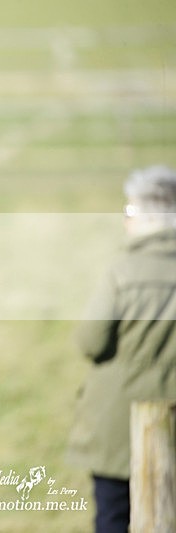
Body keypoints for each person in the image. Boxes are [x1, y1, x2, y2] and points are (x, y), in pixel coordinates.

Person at [67, 165, 176, 533]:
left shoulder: (123, 271)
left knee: (113, 518)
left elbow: (90, 342)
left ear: (147, 216)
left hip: (119, 428)